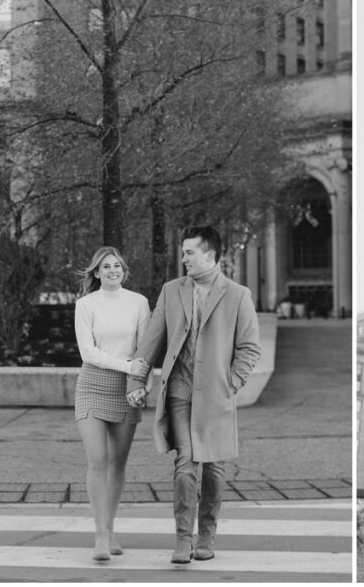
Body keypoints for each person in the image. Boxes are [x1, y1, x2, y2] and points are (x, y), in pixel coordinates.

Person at [126, 225, 260, 565]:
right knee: (185, 463)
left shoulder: (237, 295)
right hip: (180, 393)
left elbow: (249, 348)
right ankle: (183, 539)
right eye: (184, 252)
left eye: (190, 252)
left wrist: (231, 381)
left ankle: (207, 535)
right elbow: (151, 341)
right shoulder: (172, 291)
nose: (184, 258)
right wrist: (135, 382)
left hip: (216, 395)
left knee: (214, 467)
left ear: (210, 255)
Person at [73, 246, 152, 562]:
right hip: (92, 384)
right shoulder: (85, 304)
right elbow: (88, 353)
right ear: (96, 272)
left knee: (118, 462)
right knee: (98, 460)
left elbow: (145, 347)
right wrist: (129, 366)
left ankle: (110, 527)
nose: (112, 270)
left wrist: (141, 381)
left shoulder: (139, 302)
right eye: (106, 266)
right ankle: (100, 536)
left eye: (117, 265)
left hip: (127, 387)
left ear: (124, 270)